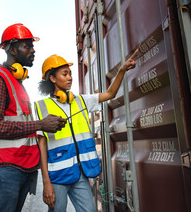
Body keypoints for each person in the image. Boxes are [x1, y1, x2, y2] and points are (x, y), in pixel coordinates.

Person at [0, 24, 67, 212]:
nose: (33, 51)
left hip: (22, 168)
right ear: (13, 49)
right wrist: (41, 124)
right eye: (28, 46)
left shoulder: (17, 83)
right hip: (6, 170)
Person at [34, 52, 137, 211]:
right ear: (53, 78)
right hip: (58, 177)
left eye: (70, 74)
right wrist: (46, 183)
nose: (70, 78)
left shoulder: (81, 101)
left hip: (80, 175)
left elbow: (110, 94)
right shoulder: (42, 107)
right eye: (65, 74)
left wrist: (122, 70)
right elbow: (41, 147)